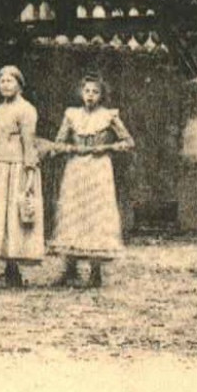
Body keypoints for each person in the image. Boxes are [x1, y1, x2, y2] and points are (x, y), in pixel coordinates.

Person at [47, 73, 134, 289]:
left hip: (99, 168)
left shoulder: (109, 116)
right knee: (73, 212)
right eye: (87, 91)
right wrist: (69, 148)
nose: (90, 96)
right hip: (76, 167)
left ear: (101, 95)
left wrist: (106, 148)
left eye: (95, 92)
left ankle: (96, 272)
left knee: (96, 214)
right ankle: (70, 269)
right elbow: (58, 143)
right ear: (81, 93)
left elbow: (128, 141)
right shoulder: (71, 115)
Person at [0, 65, 45, 288]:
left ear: (20, 85)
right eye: (2, 81)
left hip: (17, 169)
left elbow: (29, 143)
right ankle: (8, 266)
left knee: (14, 218)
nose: (5, 85)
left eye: (10, 81)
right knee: (0, 217)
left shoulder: (26, 110)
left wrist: (30, 175)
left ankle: (14, 267)